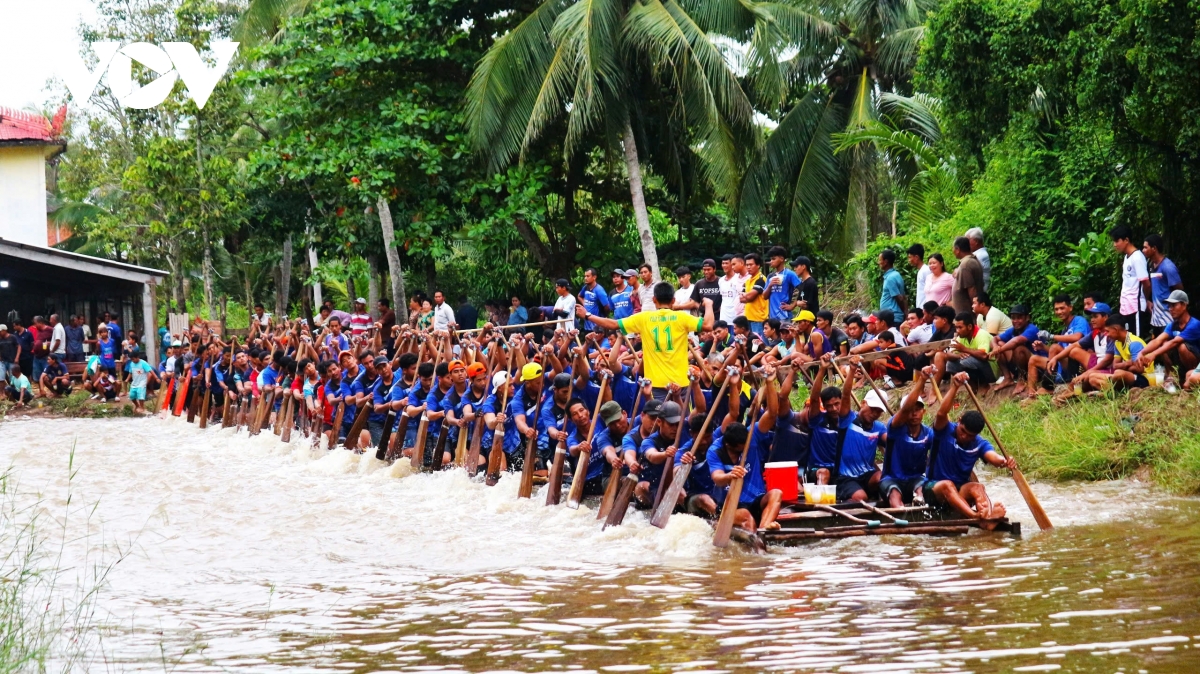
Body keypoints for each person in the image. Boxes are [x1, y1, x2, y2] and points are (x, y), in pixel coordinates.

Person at [579, 282, 714, 398]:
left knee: (660, 424)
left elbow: (612, 324)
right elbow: (708, 325)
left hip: (656, 383)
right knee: (681, 423)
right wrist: (708, 305)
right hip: (681, 382)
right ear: (673, 300)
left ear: (654, 299)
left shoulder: (644, 318)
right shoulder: (682, 318)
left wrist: (588, 315)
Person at [926, 371, 1015, 527]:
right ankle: (977, 518)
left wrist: (1005, 461)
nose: (965, 437)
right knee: (948, 485)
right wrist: (954, 386)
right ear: (959, 421)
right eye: (963, 432)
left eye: (970, 436)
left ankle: (987, 517)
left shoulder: (979, 443)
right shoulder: (945, 430)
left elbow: (993, 458)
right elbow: (941, 413)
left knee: (977, 487)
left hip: (959, 491)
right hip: (934, 489)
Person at [708, 375, 782, 531]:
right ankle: (755, 534)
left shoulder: (751, 435)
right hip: (731, 503)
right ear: (729, 445)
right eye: (741, 448)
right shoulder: (715, 450)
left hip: (755, 498)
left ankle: (764, 528)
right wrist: (730, 476)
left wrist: (769, 382)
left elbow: (772, 414)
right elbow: (717, 478)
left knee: (776, 493)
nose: (745, 449)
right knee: (747, 518)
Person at [882, 370, 934, 507]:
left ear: (924, 411)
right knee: (894, 493)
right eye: (911, 410)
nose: (914, 413)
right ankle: (900, 513)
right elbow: (905, 410)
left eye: (918, 409)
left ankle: (920, 503)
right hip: (891, 479)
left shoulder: (928, 433)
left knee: (921, 488)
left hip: (915, 479)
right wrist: (922, 380)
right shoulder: (895, 427)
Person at [1023, 294, 1090, 396]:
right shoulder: (1064, 329)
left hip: (1076, 365)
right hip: (1062, 365)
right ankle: (1031, 394)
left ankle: (1048, 386)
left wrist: (1051, 336)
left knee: (1054, 347)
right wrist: (1043, 347)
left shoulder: (1079, 321)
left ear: (1070, 308)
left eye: (1062, 308)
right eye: (1056, 309)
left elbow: (1077, 338)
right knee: (1034, 359)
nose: (1059, 312)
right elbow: (1057, 351)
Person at [1137, 290, 1200, 386]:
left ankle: (1191, 377)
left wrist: (1153, 354)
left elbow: (1174, 342)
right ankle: (1172, 377)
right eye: (1169, 306)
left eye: (1174, 305)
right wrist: (1142, 352)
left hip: (1196, 360)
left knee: (1182, 346)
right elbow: (1158, 340)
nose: (1170, 309)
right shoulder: (1172, 325)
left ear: (1184, 305)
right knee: (1164, 345)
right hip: (1180, 360)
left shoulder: (1194, 324)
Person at [1077, 316, 1149, 392]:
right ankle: (1114, 391)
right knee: (1092, 377)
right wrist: (1128, 364)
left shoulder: (1134, 343)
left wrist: (1125, 366)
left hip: (1142, 378)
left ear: (1116, 330)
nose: (1106, 335)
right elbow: (1115, 365)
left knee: (1119, 373)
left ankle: (1111, 390)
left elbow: (1139, 369)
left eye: (1108, 331)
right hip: (1126, 375)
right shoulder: (1117, 342)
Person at [933, 311, 996, 393]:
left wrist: (964, 349)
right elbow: (949, 354)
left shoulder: (981, 335)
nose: (957, 331)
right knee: (950, 365)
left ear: (969, 327)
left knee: (965, 361)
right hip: (976, 366)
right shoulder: (961, 336)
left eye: (960, 327)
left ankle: (984, 385)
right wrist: (958, 355)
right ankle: (973, 387)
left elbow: (984, 356)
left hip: (992, 371)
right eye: (956, 327)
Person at [1111, 225, 1151, 340]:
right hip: (1126, 308)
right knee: (1127, 341)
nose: (1115, 244)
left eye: (1117, 241)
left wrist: (1145, 299)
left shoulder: (1137, 257)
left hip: (1135, 307)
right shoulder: (1127, 257)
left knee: (1136, 341)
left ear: (1126, 240)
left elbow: (1146, 283)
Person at [991, 304, 1042, 394]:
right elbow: (995, 339)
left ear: (1027, 318)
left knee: (1019, 348)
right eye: (1013, 318)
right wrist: (995, 347)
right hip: (1019, 365)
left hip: (1037, 367)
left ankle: (1021, 379)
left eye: (1019, 318)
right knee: (999, 343)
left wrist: (998, 350)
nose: (1015, 321)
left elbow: (1016, 341)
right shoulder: (1013, 330)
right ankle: (1007, 378)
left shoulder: (1032, 329)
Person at [1143, 234, 1183, 336]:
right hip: (1156, 315)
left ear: (1154, 248)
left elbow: (1179, 291)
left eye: (1145, 247)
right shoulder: (1151, 265)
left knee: (1167, 346)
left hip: (1168, 315)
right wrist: (1148, 301)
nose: (1143, 250)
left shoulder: (1168, 267)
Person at [764, 246, 801, 322]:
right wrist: (770, 285)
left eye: (774, 259)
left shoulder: (790, 274)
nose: (771, 261)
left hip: (784, 315)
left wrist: (793, 305)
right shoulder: (770, 276)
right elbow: (764, 296)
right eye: (771, 259)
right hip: (772, 316)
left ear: (781, 259)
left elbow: (802, 288)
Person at [951, 237, 984, 315]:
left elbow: (972, 290)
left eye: (953, 249)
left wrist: (976, 310)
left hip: (967, 313)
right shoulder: (970, 260)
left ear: (958, 249)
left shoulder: (966, 264)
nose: (953, 251)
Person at [740, 253, 769, 336]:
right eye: (747, 265)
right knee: (751, 345)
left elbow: (750, 297)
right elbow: (741, 299)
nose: (748, 267)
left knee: (758, 344)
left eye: (751, 264)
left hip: (758, 319)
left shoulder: (761, 279)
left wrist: (746, 296)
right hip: (748, 317)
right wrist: (747, 296)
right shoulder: (748, 281)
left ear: (758, 265)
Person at [718, 254, 746, 323]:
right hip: (723, 317)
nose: (724, 265)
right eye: (723, 263)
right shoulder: (721, 280)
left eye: (726, 263)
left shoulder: (738, 279)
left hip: (736, 316)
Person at [878, 249, 907, 314]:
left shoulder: (890, 278)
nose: (878, 262)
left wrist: (904, 313)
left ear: (885, 262)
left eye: (880, 260)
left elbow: (899, 298)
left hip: (893, 316)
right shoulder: (895, 274)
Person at [964, 227, 991, 291]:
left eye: (967, 240)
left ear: (976, 241)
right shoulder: (977, 254)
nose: (965, 244)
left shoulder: (981, 255)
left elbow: (967, 273)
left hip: (978, 294)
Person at [908, 244, 931, 309]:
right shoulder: (921, 271)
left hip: (925, 308)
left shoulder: (925, 270)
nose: (909, 260)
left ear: (916, 257)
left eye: (910, 257)